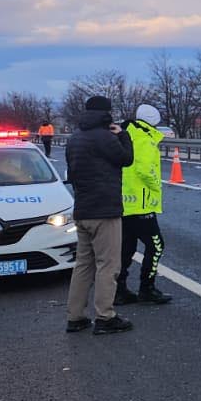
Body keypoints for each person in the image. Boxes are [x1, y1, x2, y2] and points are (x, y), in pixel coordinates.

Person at [63, 95, 136, 334]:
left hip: (82, 208)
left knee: (83, 264)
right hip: (105, 210)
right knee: (108, 264)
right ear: (106, 113)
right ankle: (105, 317)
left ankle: (75, 317)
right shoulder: (104, 136)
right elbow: (126, 159)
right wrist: (123, 135)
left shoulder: (75, 138)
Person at [117, 104, 172, 306]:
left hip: (125, 203)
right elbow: (144, 170)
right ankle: (147, 288)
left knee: (126, 248)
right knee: (156, 246)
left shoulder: (126, 134)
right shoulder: (145, 138)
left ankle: (118, 290)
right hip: (141, 204)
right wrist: (156, 185)